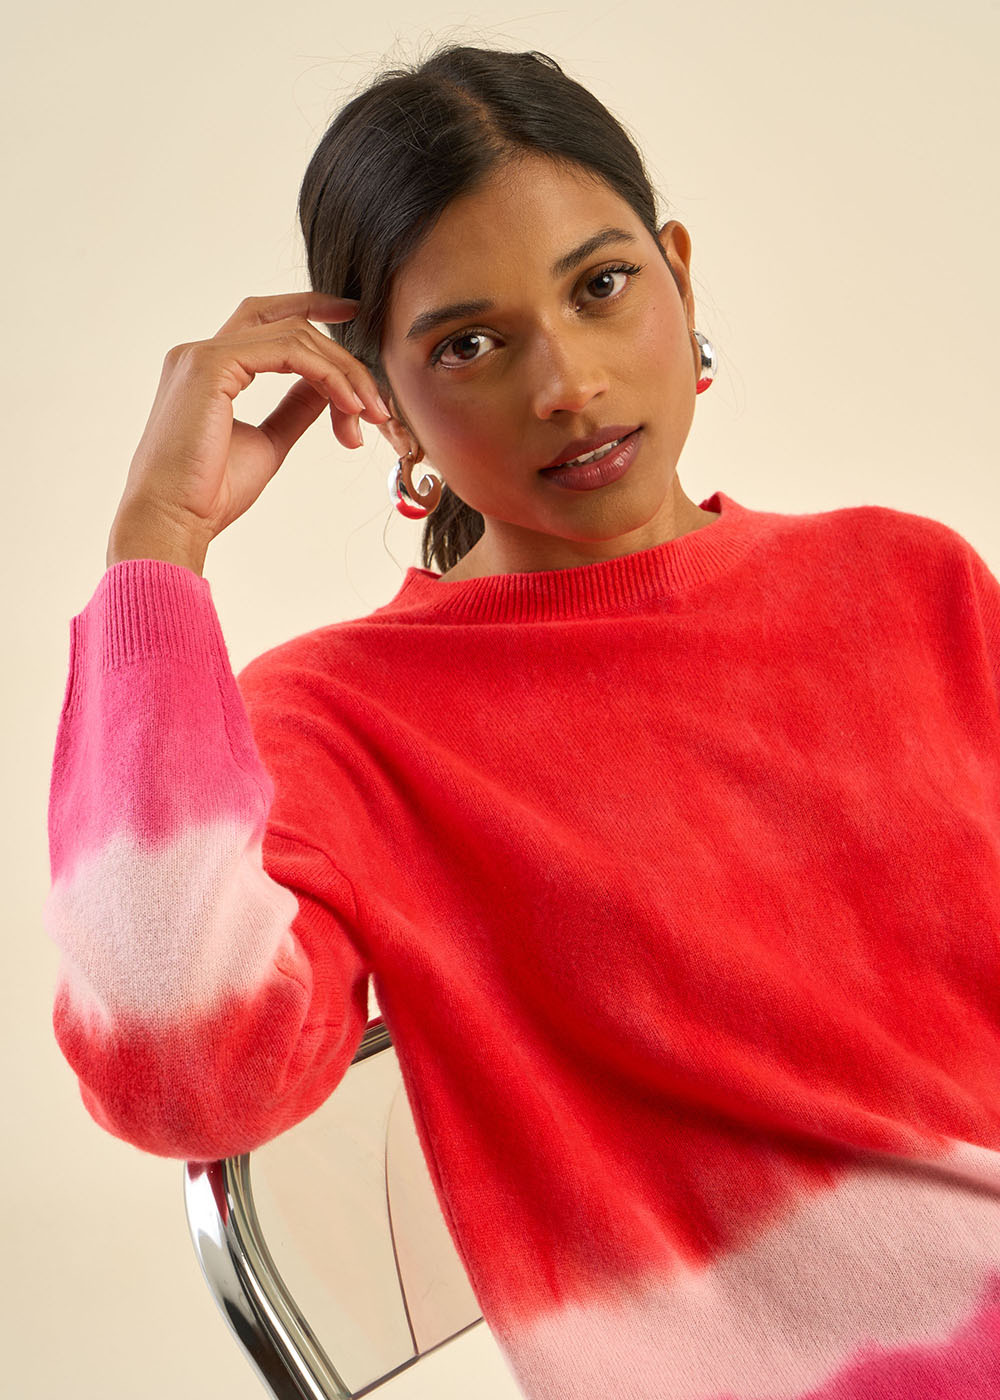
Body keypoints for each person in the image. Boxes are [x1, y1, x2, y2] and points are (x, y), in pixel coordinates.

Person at [43, 42, 1000, 1400]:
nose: (567, 384)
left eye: (601, 287)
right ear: (378, 398)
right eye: (470, 344)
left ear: (678, 273)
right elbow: (182, 1081)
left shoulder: (907, 584)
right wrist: (160, 541)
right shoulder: (345, 723)